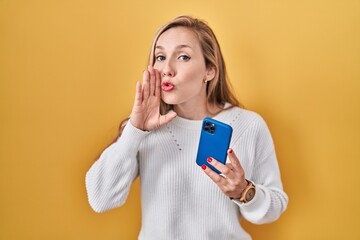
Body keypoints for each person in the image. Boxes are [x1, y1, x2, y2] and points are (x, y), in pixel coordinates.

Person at [85, 15, 288, 240]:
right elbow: (100, 199)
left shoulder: (248, 125)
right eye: (160, 57)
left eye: (183, 56)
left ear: (209, 70)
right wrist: (134, 130)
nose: (167, 69)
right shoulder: (139, 129)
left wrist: (244, 192)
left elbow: (275, 206)